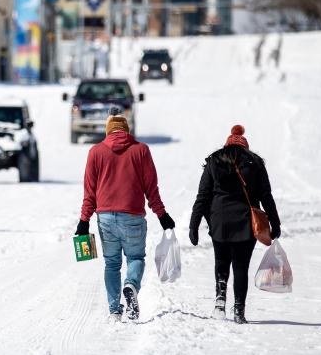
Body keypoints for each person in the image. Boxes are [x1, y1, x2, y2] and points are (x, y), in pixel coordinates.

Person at [76, 112, 175, 322]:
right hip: (132, 216)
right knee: (136, 258)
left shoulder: (95, 152)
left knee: (111, 264)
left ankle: (114, 310)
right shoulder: (141, 150)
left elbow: (89, 193)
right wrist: (162, 215)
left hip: (105, 218)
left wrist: (84, 221)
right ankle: (131, 285)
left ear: (108, 130)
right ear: (126, 130)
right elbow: (151, 189)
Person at [188, 125, 281, 324]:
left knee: (221, 262)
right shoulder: (255, 163)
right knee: (241, 266)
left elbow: (203, 196)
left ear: (227, 144)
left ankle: (220, 303)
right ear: (245, 146)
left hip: (219, 221)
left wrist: (193, 225)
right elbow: (266, 196)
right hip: (246, 223)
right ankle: (239, 311)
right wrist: (275, 222)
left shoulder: (214, 161)